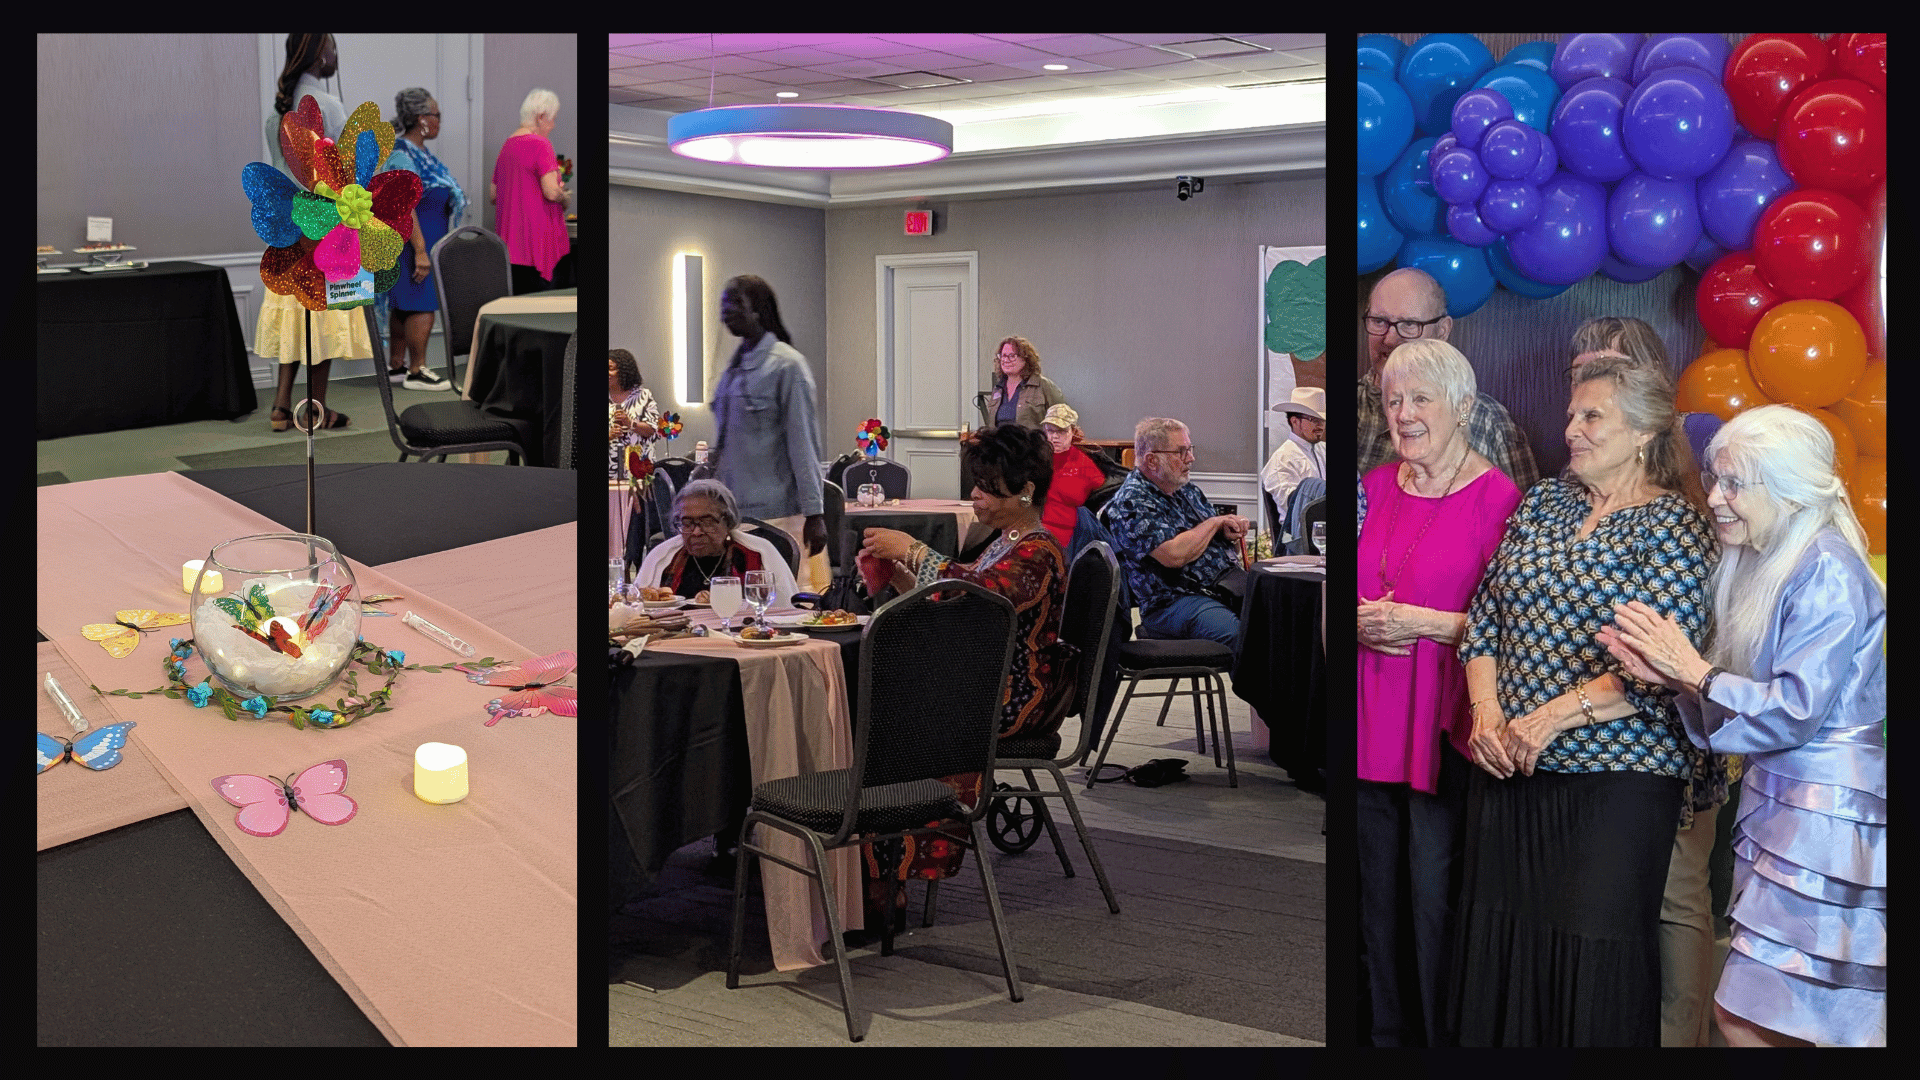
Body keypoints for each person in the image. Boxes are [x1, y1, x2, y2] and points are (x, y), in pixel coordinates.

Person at [1449, 353, 1717, 1046]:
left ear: (1644, 433)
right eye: (1572, 414)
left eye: (1592, 415)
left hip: (1619, 780)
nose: (1572, 429)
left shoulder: (1674, 526)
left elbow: (1657, 664)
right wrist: (1487, 714)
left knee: (1596, 954)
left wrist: (1548, 717)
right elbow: (1485, 617)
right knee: (1505, 940)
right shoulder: (1544, 501)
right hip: (1509, 762)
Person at [1599, 405, 1885, 1048]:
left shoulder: (1827, 568)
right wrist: (1673, 676)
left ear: (1785, 488)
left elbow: (1795, 710)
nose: (1715, 499)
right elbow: (1758, 712)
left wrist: (1694, 673)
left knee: (1793, 1018)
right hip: (1788, 807)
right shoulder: (1776, 559)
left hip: (1825, 819)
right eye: (1714, 479)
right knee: (1757, 1017)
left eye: (1734, 484)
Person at [1356, 339, 1524, 1046]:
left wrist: (1418, 622)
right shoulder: (1375, 485)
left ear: (1462, 407)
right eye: (1393, 400)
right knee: (1372, 899)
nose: (1404, 413)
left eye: (1420, 398)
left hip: (1443, 721)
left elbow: (1516, 626)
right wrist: (1359, 621)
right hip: (1369, 713)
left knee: (1432, 898)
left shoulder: (1500, 499)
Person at [1565, 316, 1723, 1047]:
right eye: (1588, 370)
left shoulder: (1694, 480)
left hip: (1682, 729)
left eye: (1614, 371)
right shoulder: (1575, 475)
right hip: (1596, 746)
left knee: (1677, 900)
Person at [856, 424, 1071, 929]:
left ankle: (889, 874)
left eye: (987, 487)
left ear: (1026, 491)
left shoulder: (1038, 551)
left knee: (894, 725)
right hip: (982, 685)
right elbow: (955, 598)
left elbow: (980, 592)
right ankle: (872, 862)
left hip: (1010, 698)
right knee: (878, 707)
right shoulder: (1007, 543)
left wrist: (911, 549)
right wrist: (901, 574)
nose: (974, 495)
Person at [255, 32, 363, 432]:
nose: (336, 54)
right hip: (323, 227)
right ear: (319, 53)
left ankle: (281, 405)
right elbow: (347, 176)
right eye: (332, 46)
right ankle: (315, 408)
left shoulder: (276, 112)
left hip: (284, 228)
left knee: (291, 313)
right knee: (320, 318)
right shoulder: (330, 106)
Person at [1358, 267, 1537, 489]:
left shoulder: (1487, 419)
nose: (1390, 338)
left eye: (1410, 325)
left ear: (1442, 331)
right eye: (1379, 321)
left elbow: (1526, 515)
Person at [710, 274, 829, 593]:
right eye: (723, 304)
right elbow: (723, 442)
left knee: (788, 601)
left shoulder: (787, 366)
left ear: (759, 310)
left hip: (780, 515)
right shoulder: (733, 369)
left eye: (735, 303)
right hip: (733, 513)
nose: (726, 311)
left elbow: (803, 444)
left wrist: (814, 513)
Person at [1103, 418, 1250, 649]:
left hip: (1224, 587)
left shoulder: (1187, 491)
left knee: (1282, 618)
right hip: (1172, 603)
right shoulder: (1131, 502)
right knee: (1239, 636)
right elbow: (1174, 555)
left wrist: (1226, 529)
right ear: (1152, 460)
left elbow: (1203, 536)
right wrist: (1213, 523)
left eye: (1189, 450)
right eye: (1180, 452)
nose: (1190, 458)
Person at [378, 87, 461, 392]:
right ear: (420, 118)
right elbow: (404, 204)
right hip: (415, 242)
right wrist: (421, 250)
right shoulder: (402, 154)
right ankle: (417, 369)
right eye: (435, 115)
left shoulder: (420, 153)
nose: (439, 121)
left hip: (424, 239)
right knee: (421, 304)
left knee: (405, 303)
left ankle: (397, 366)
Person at [1570, 316, 1722, 469]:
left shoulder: (1701, 432)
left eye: (1609, 370)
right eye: (1578, 375)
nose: (1590, 384)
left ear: (1653, 374)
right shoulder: (1579, 448)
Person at [634, 479, 800, 604]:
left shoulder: (757, 555)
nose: (696, 532)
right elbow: (637, 608)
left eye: (707, 522)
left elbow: (784, 611)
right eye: (687, 523)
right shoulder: (663, 559)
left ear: (727, 521)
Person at [489, 88, 570, 295]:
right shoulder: (541, 144)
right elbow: (551, 192)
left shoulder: (507, 145)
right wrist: (564, 195)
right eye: (552, 120)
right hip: (538, 246)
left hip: (510, 248)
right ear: (541, 117)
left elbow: (493, 195)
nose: (553, 126)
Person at [1262, 386, 1328, 541]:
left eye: (1322, 420)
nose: (1320, 426)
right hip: (1295, 540)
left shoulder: (1324, 450)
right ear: (1295, 421)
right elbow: (1295, 508)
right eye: (1314, 420)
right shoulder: (1282, 461)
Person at [1038, 404, 1105, 548]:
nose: (1055, 437)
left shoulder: (1084, 463)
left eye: (1061, 431)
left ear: (1073, 431)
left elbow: (1101, 496)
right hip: (1034, 529)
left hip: (1070, 537)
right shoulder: (1036, 459)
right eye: (1050, 430)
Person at [980, 336, 1067, 430]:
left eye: (1012, 356)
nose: (1006, 360)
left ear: (1026, 359)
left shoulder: (1043, 385)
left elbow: (1064, 420)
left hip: (1032, 443)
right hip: (1000, 444)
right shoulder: (998, 388)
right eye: (1003, 356)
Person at [608, 348, 659, 479]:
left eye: (610, 368)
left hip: (638, 471)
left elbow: (652, 430)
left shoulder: (643, 396)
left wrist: (630, 423)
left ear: (624, 371)